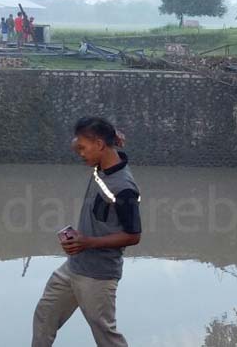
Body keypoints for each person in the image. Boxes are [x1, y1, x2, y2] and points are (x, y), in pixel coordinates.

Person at [32, 117, 140, 347]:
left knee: (106, 336)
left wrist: (87, 242)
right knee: (44, 316)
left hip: (98, 276)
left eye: (82, 147)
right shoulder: (101, 164)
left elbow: (133, 236)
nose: (78, 152)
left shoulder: (124, 188)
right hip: (73, 266)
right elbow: (81, 144)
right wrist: (111, 136)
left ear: (100, 145)